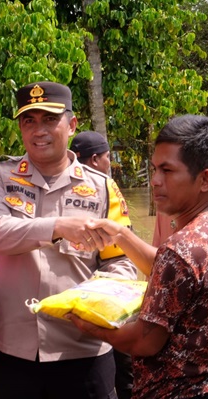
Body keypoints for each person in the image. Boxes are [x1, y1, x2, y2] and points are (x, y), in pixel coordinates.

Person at [0, 81, 136, 399]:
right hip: (14, 352)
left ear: (72, 125)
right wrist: (59, 226)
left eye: (49, 119)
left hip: (85, 349)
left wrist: (97, 299)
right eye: (28, 121)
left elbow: (121, 258)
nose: (38, 130)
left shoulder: (103, 188)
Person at [68, 114, 208, 399]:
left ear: (206, 180)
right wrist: (120, 234)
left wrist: (91, 326)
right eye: (155, 168)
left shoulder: (181, 248)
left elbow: (144, 341)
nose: (155, 180)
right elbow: (167, 268)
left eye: (168, 171)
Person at [70, 129, 134, 399]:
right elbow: (122, 254)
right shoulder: (106, 189)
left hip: (70, 316)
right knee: (123, 376)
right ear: (96, 160)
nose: (109, 162)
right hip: (103, 310)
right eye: (108, 157)